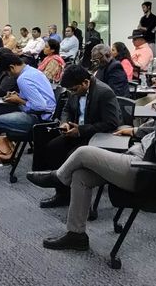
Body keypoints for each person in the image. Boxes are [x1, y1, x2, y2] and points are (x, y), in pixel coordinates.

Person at [25, 64, 156, 251]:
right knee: (80, 176)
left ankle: (58, 177)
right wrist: (135, 130)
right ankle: (76, 236)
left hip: (150, 173)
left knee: (83, 152)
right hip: (140, 155)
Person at [38, 65, 121, 208]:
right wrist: (65, 123)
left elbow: (111, 123)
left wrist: (81, 130)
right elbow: (67, 109)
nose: (72, 93)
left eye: (74, 89)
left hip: (97, 135)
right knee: (52, 147)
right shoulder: (74, 90)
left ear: (85, 82)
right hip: (77, 131)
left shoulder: (104, 92)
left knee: (72, 156)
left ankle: (79, 200)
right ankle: (62, 194)